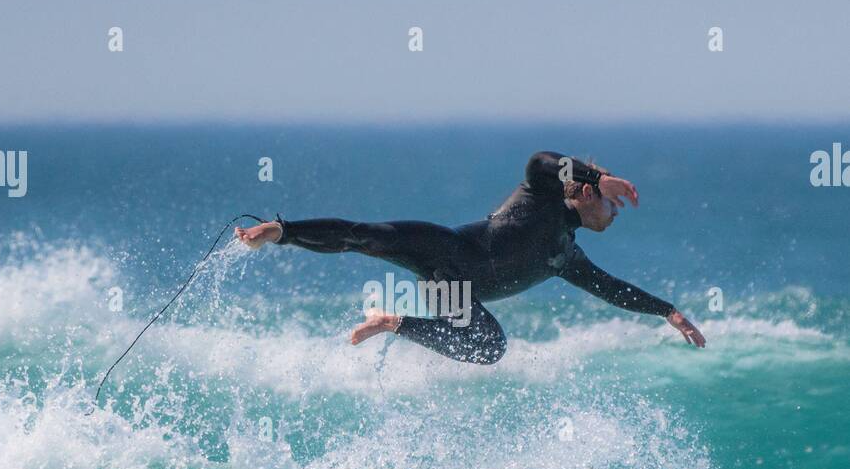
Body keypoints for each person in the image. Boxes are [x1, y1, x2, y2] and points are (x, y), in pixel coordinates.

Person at [235, 150, 706, 363]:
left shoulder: (567, 256)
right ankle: (280, 231)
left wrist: (666, 310)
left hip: (451, 291)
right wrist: (600, 177)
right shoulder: (540, 197)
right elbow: (542, 161)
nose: (614, 212)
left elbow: (611, 288)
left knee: (489, 348)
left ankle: (390, 323)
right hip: (444, 248)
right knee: (366, 236)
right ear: (585, 192)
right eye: (610, 203)